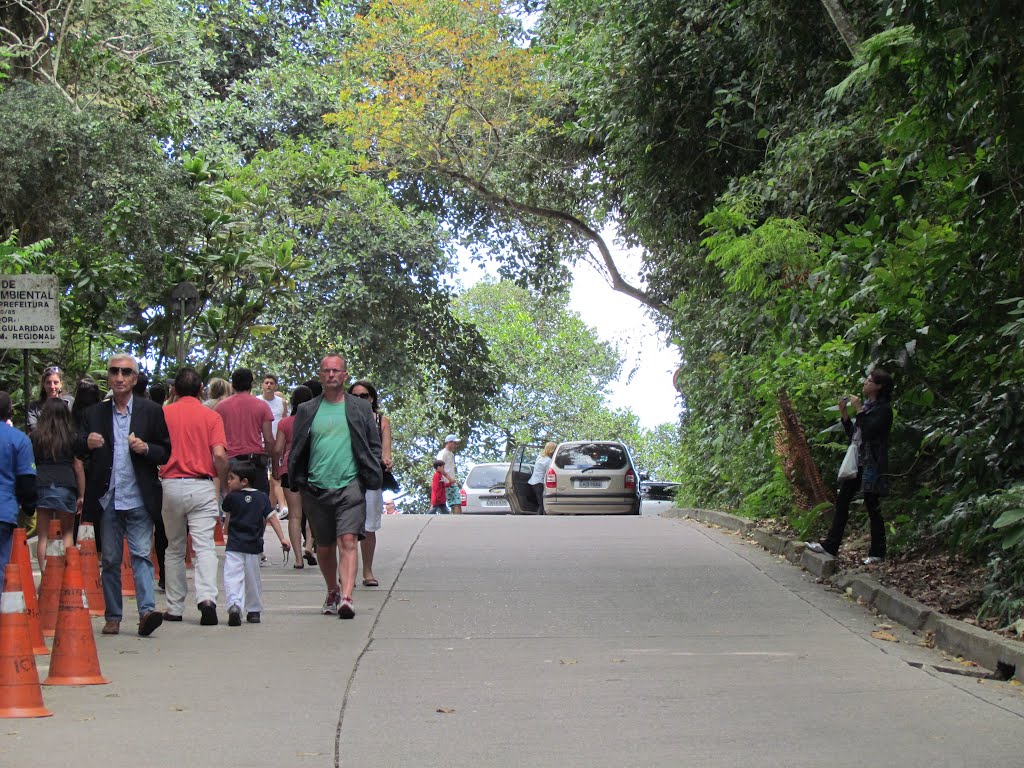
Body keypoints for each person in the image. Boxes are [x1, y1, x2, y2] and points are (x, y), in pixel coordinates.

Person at [79, 353, 171, 637]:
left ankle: (146, 613)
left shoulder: (151, 411)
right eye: (114, 372)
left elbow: (165, 450)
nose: (119, 377)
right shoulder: (94, 413)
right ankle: (113, 615)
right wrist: (87, 442)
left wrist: (147, 449)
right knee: (109, 559)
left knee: (142, 554)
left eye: (125, 372)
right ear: (108, 377)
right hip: (108, 498)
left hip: (139, 496)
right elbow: (76, 447)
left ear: (134, 378)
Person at [287, 354, 382, 619]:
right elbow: (297, 448)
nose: (331, 375)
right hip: (316, 487)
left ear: (344, 375)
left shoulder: (360, 409)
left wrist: (368, 476)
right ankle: (333, 589)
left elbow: (373, 445)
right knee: (325, 547)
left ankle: (348, 597)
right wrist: (298, 480)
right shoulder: (307, 409)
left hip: (350, 484)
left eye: (336, 371)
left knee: (348, 539)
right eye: (326, 371)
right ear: (321, 375)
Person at [159, 367, 229, 625]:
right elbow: (220, 455)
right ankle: (207, 600)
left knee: (175, 547)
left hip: (169, 484)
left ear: (174, 390)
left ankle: (175, 608)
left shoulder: (163, 414)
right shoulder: (211, 416)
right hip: (201, 485)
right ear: (201, 390)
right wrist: (222, 484)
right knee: (205, 547)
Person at [807, 368, 894, 564]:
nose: (865, 383)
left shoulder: (883, 410)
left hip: (872, 463)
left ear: (879, 386)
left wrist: (859, 410)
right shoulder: (869, 406)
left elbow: (871, 431)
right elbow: (855, 434)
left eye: (869, 381)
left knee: (873, 506)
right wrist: (845, 414)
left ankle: (877, 553)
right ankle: (830, 546)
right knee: (843, 500)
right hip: (859, 461)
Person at [221, 459, 289, 626]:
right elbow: (272, 517)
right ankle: (253, 610)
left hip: (234, 546)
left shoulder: (231, 498)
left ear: (244, 481)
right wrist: (282, 538)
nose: (228, 481)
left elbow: (228, 518)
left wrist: (224, 533)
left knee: (232, 577)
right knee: (253, 579)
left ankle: (235, 605)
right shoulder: (261, 497)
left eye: (231, 478)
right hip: (254, 546)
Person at [30, 398, 85, 569]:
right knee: (67, 532)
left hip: (42, 483)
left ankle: (47, 578)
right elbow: (78, 466)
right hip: (66, 484)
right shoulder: (71, 437)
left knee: (43, 535)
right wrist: (82, 494)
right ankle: (67, 576)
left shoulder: (35, 437)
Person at [348, 379, 391, 587]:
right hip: (347, 476)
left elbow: (386, 450)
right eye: (354, 396)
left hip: (371, 476)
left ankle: (367, 570)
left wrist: (386, 460)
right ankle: (348, 572)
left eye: (363, 396)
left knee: (369, 527)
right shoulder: (342, 417)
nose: (358, 400)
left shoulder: (381, 420)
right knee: (347, 526)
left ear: (371, 398)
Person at [273, 385, 317, 569]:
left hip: (289, 469)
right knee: (314, 513)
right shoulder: (316, 421)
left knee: (295, 516)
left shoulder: (285, 423)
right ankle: (308, 545)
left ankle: (298, 560)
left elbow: (277, 449)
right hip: (312, 468)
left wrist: (276, 467)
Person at [215, 368, 274, 495]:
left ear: (233, 384)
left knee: (232, 506)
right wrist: (273, 462)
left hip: (230, 464)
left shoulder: (220, 407)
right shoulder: (262, 406)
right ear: (251, 384)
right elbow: (268, 439)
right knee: (258, 505)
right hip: (255, 464)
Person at [0, 391, 36, 593]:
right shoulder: (19, 440)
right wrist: (29, 507)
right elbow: (26, 480)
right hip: (4, 511)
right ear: (10, 412)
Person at [260, 374, 288, 518]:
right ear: (262, 385)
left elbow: (284, 420)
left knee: (276, 474)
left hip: (277, 443)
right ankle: (268, 508)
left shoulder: (281, 402)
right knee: (264, 476)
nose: (269, 385)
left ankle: (279, 507)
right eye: (266, 383)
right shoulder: (257, 401)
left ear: (275, 385)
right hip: (260, 443)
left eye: (271, 383)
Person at [27, 365, 74, 432]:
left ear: (61, 384)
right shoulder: (34, 407)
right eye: (48, 382)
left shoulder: (69, 402)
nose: (52, 386)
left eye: (56, 382)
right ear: (43, 384)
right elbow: (33, 429)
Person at [527, 442, 556, 515]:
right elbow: (549, 474)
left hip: (533, 483)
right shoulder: (548, 461)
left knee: (540, 503)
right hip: (539, 483)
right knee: (543, 504)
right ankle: (540, 519)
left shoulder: (540, 457)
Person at [436, 434, 461, 514]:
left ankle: (458, 520)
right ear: (449, 442)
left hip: (451, 483)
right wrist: (449, 478)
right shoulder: (442, 453)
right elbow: (439, 468)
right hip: (444, 482)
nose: (456, 445)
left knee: (457, 502)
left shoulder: (451, 455)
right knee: (438, 503)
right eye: (454, 443)